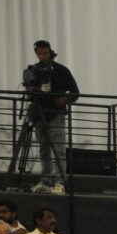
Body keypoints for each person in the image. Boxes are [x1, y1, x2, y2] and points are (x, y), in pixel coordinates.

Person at [20, 40, 78, 192]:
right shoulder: (34, 70)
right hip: (39, 114)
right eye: (39, 53)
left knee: (58, 151)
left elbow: (75, 92)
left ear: (50, 52)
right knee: (44, 150)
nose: (42, 56)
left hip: (55, 114)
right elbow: (29, 91)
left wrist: (63, 100)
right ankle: (46, 180)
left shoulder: (61, 70)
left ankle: (60, 182)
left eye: (44, 53)